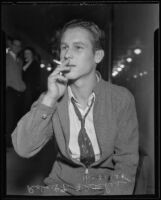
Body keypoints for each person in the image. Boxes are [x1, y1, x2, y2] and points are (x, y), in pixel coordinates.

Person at [11, 19, 139, 195]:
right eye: (64, 47)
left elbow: (126, 161)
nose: (67, 55)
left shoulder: (121, 98)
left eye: (78, 47)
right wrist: (49, 99)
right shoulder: (52, 97)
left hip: (104, 188)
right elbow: (23, 147)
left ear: (98, 56)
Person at [6, 37, 26, 148]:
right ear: (11, 45)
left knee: (15, 117)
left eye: (19, 46)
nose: (17, 47)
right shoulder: (6, 57)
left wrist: (23, 86)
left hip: (19, 93)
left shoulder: (19, 61)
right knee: (9, 117)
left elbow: (19, 77)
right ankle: (8, 142)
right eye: (15, 45)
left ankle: (13, 140)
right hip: (9, 91)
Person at [22, 46, 42, 113]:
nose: (26, 54)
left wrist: (36, 89)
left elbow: (37, 78)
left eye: (28, 53)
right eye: (25, 53)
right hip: (22, 89)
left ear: (32, 54)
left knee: (27, 107)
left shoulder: (35, 64)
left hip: (30, 90)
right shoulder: (22, 62)